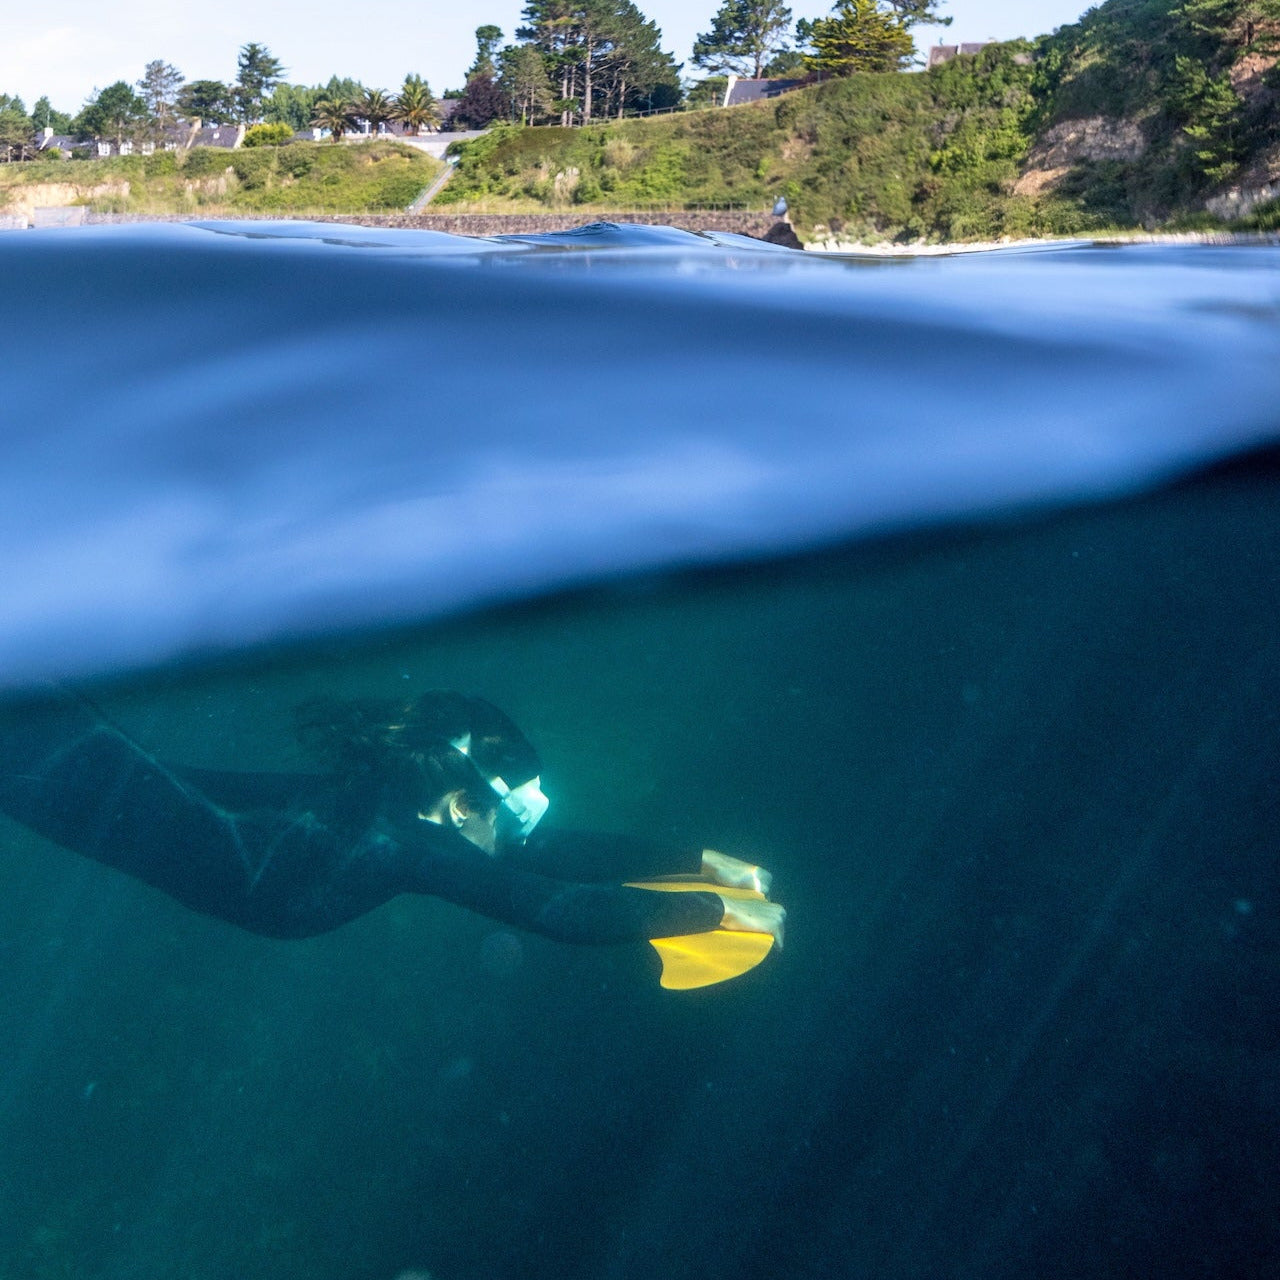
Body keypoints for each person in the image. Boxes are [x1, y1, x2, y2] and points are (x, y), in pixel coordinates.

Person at [0, 688, 784, 976]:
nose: (518, 837)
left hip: (102, 784)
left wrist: (702, 863)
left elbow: (549, 860)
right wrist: (718, 913)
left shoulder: (375, 811)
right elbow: (553, 908)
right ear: (458, 803)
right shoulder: (404, 844)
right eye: (506, 815)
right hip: (92, 787)